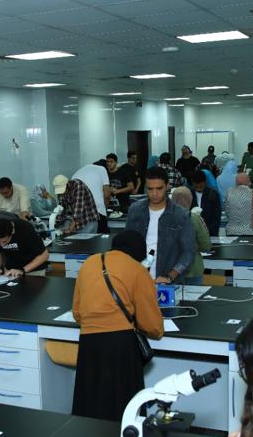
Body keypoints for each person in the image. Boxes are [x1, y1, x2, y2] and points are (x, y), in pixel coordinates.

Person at [71, 230, 164, 420]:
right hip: (120, 345)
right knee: (124, 405)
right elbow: (152, 325)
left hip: (88, 343)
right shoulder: (137, 270)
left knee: (90, 401)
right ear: (138, 252)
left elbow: (77, 313)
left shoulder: (88, 263)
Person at [125, 167, 194, 284]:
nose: (154, 193)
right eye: (150, 189)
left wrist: (170, 277)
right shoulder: (135, 210)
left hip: (167, 281)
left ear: (167, 186)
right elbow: (126, 246)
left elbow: (188, 252)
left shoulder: (181, 215)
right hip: (136, 278)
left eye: (159, 188)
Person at [169, 186, 212, 284]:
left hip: (171, 270)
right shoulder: (194, 218)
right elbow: (206, 246)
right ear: (190, 199)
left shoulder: (164, 218)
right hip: (193, 268)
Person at [72, 162, 111, 233]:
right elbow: (107, 195)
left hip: (78, 213)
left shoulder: (78, 171)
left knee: (82, 238)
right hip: (96, 210)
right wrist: (105, 209)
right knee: (102, 237)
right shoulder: (102, 169)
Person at [189, 170, 222, 236]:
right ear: (192, 183)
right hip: (192, 233)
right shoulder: (189, 194)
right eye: (196, 187)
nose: (198, 189)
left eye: (201, 186)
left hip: (210, 233)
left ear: (205, 182)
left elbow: (217, 216)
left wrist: (208, 231)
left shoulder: (213, 195)